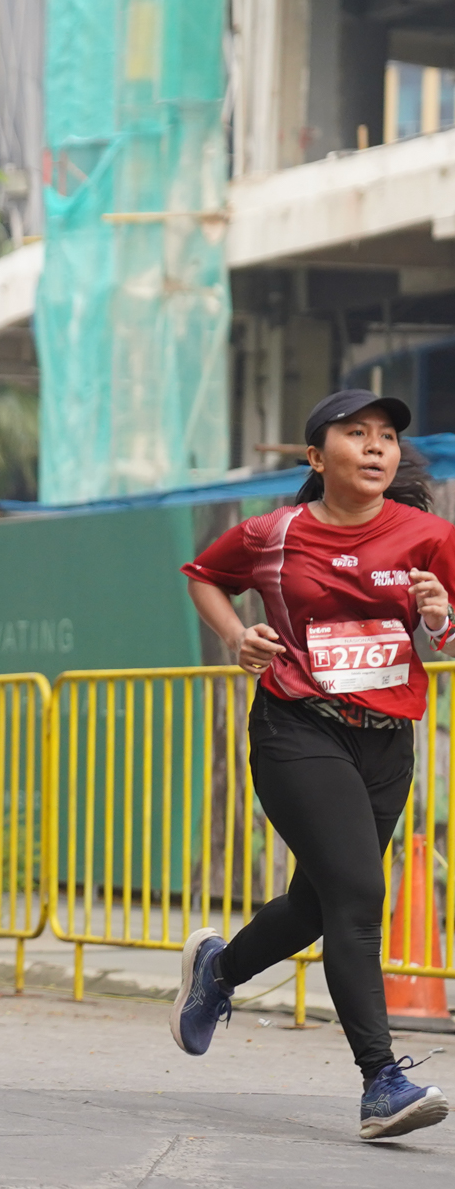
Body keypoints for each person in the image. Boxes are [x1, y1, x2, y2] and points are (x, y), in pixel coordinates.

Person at [176, 388, 453, 1141]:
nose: (376, 446)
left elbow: (452, 636)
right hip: (298, 728)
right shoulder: (273, 533)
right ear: (315, 457)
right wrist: (237, 636)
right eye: (356, 433)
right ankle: (381, 1082)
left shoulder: (430, 537)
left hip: (388, 740)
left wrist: (439, 619)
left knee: (315, 904)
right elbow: (202, 574)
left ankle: (218, 972)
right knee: (359, 893)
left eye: (387, 435)